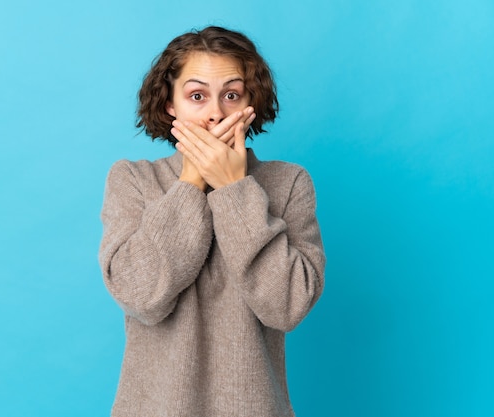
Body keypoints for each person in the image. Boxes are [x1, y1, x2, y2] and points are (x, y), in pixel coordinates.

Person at [99, 26, 325, 417]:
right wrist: (192, 180)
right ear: (171, 104)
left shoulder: (289, 183)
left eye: (231, 95)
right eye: (197, 96)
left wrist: (234, 189)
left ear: (250, 104)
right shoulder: (133, 180)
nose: (216, 112)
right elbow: (140, 296)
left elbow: (287, 307)